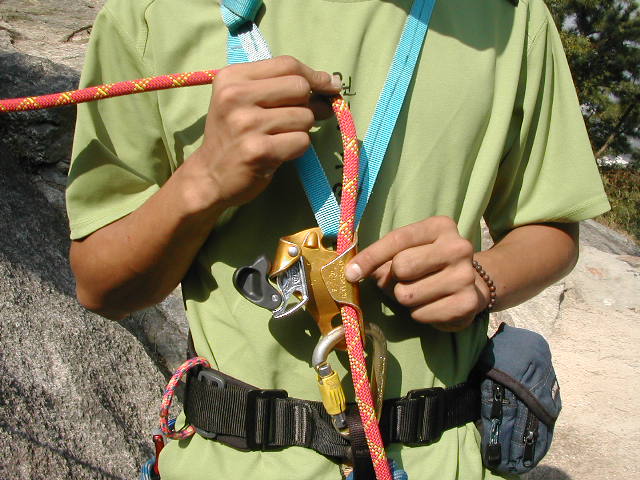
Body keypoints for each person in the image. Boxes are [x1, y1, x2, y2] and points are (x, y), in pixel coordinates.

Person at [66, 0, 610, 478]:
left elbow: (551, 226)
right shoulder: (152, 16)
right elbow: (101, 286)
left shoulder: (509, 19)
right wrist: (203, 180)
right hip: (229, 461)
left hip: (445, 459)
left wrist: (485, 280)